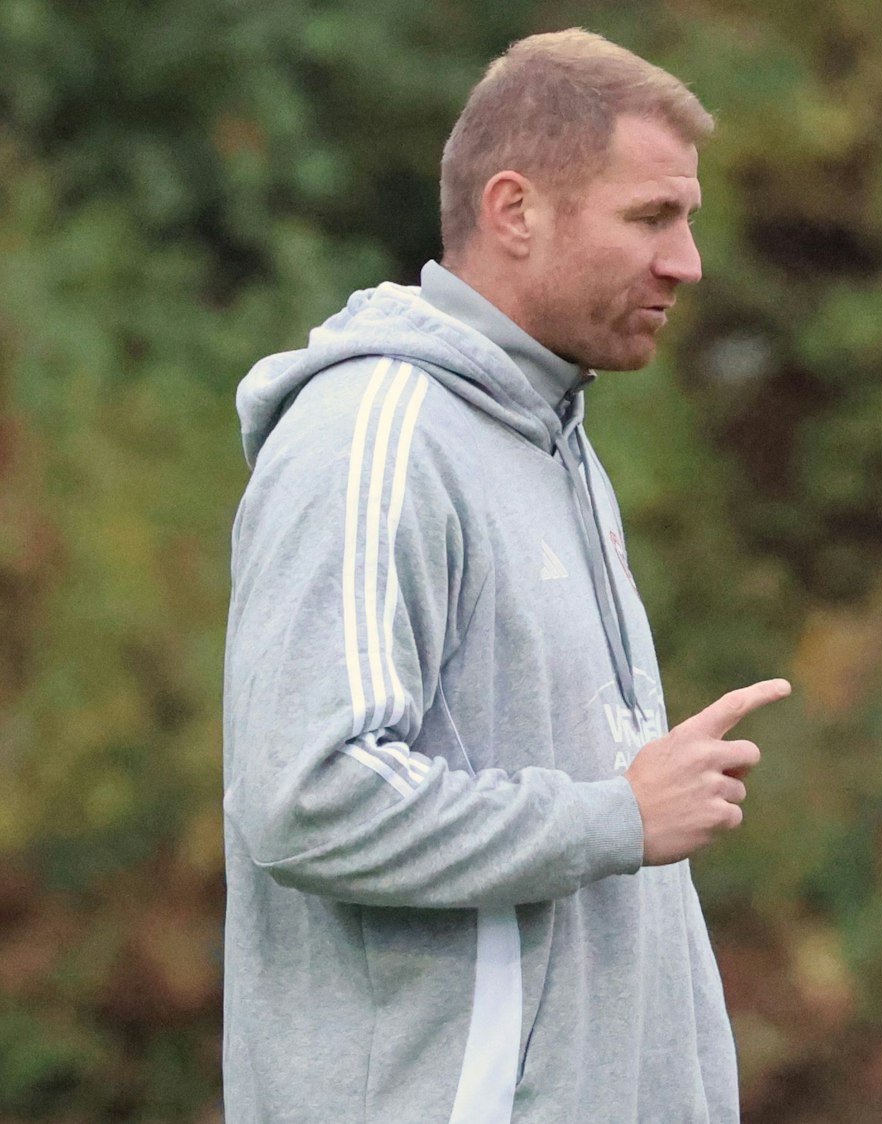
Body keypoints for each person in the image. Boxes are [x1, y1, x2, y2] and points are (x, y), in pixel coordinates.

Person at [222, 29, 786, 1123]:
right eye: (651, 217)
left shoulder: (553, 439)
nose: (687, 261)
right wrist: (609, 817)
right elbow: (305, 796)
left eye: (688, 219)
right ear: (515, 209)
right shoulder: (373, 435)